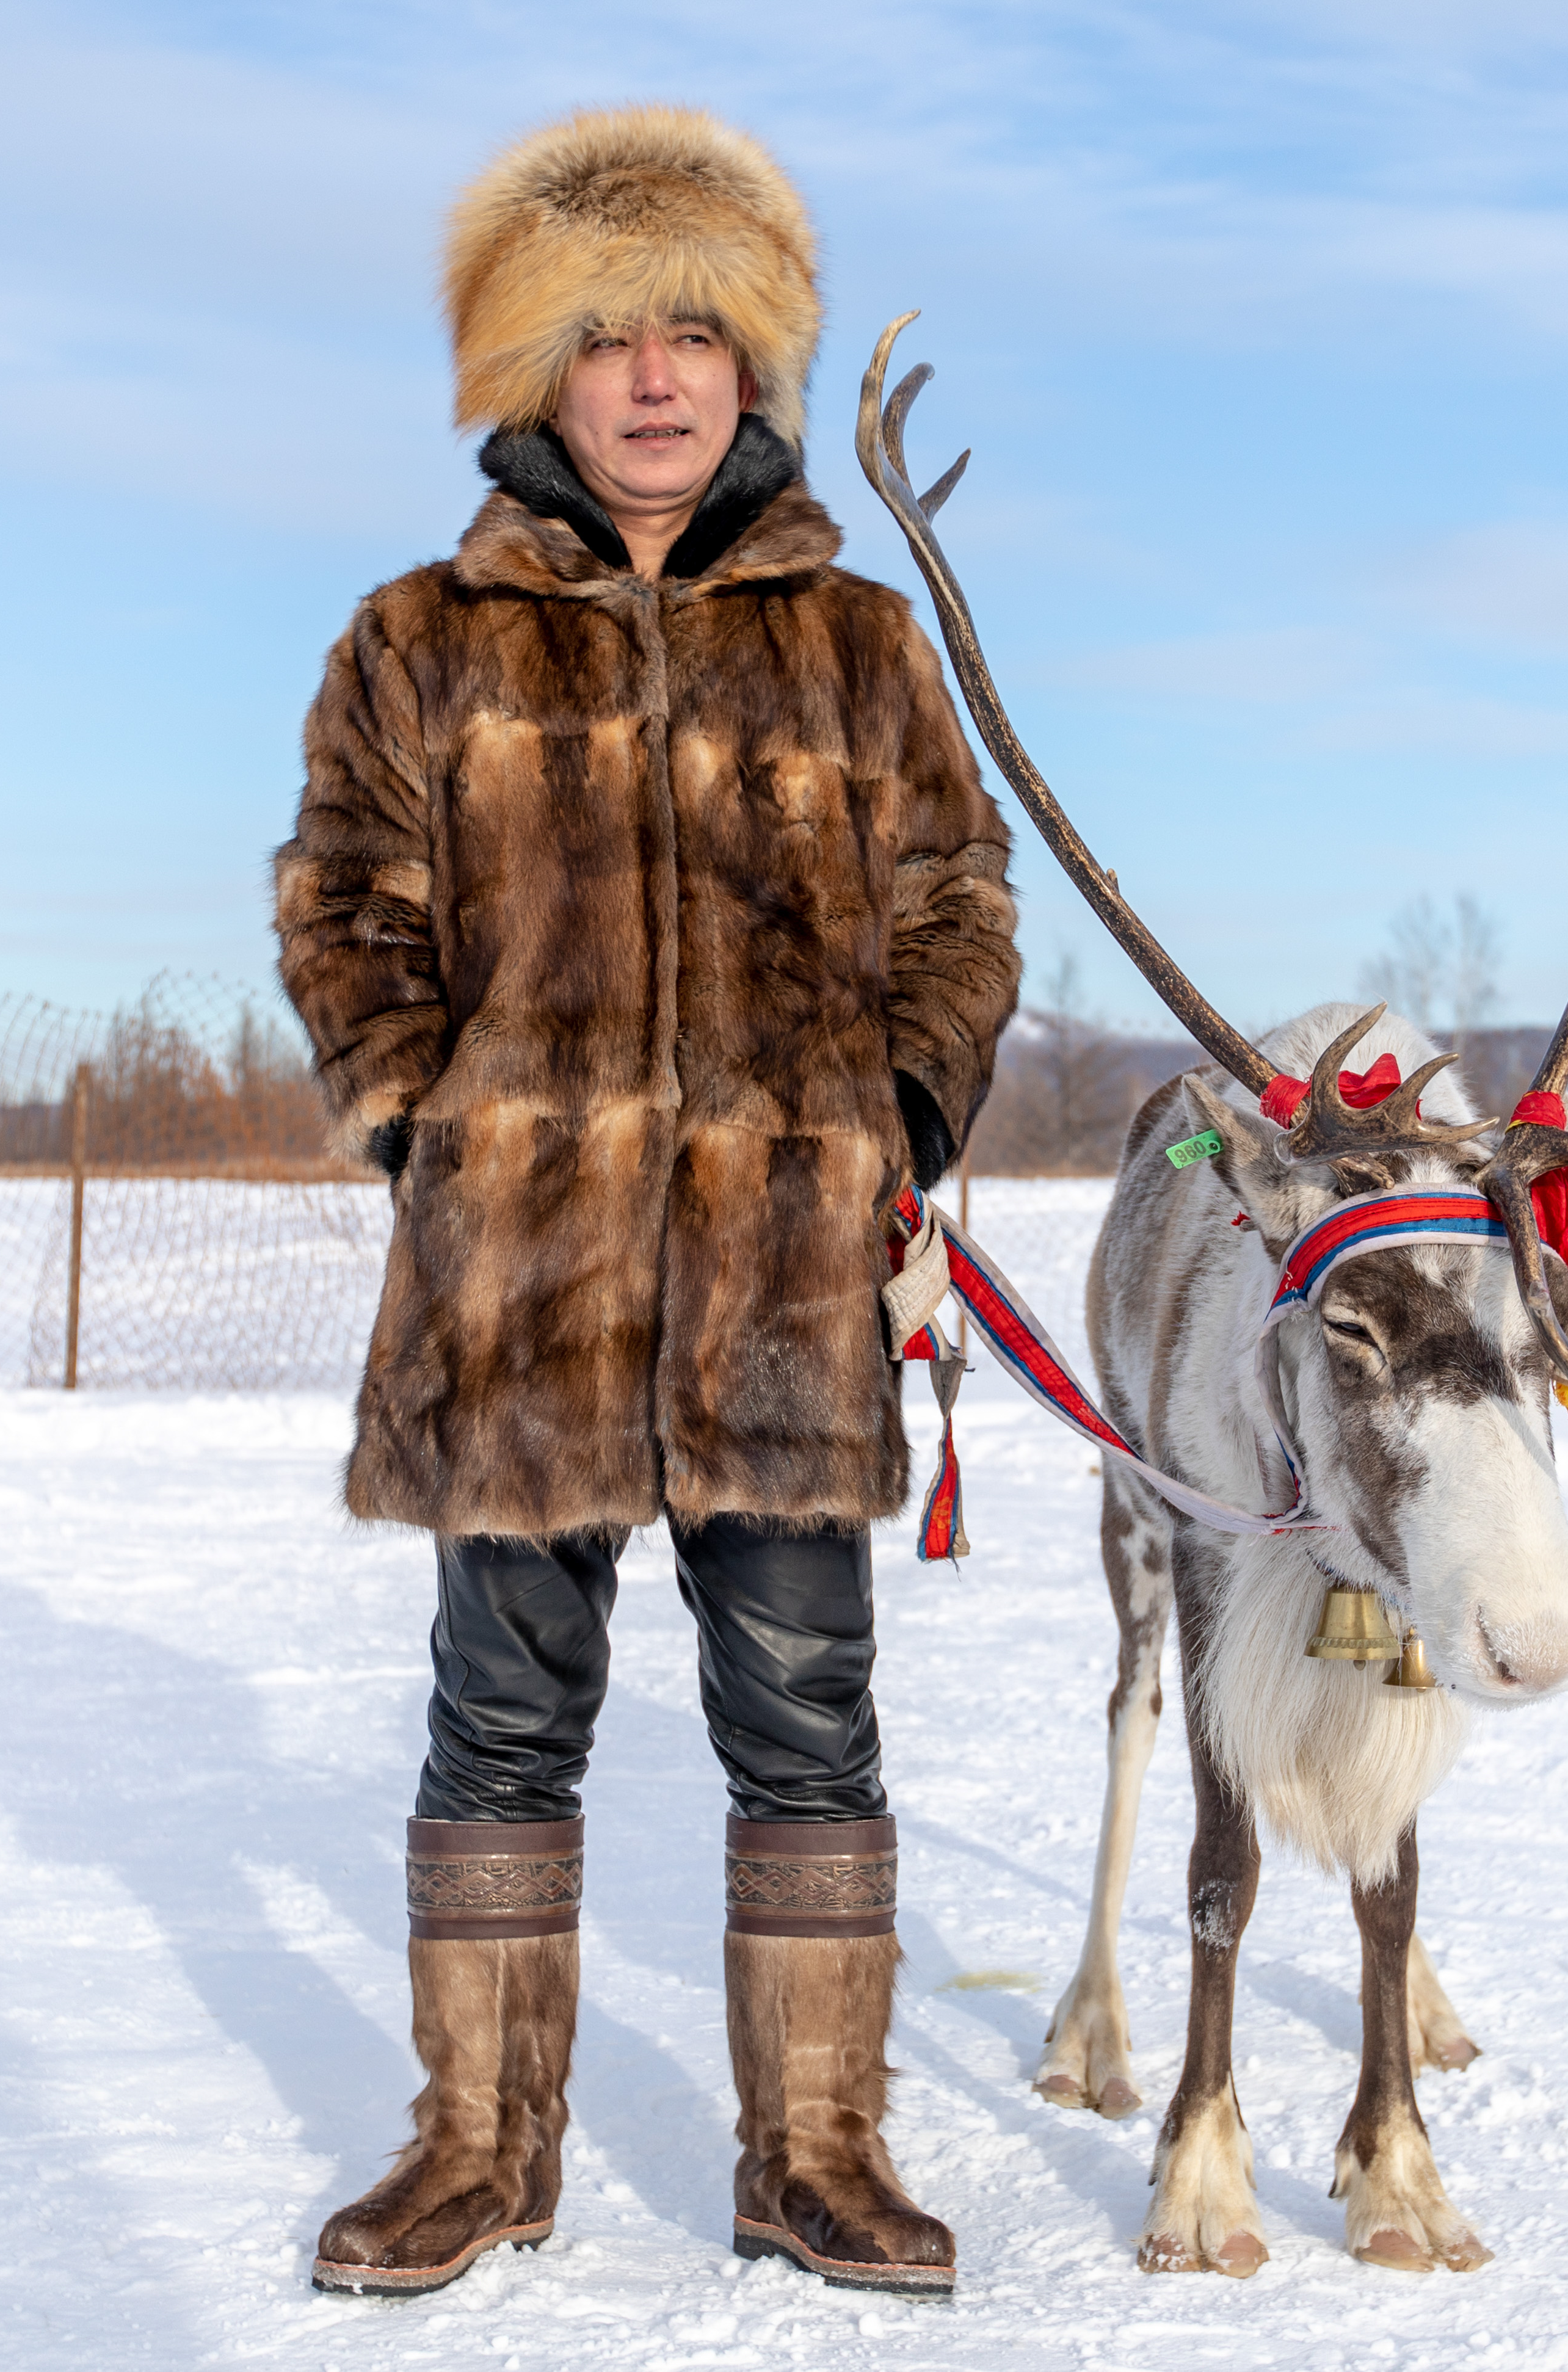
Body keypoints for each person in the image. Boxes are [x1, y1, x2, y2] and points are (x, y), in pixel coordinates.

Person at [270, 104, 1022, 2302]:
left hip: (787, 1288)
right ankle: (471, 2149)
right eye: (608, 342)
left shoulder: (859, 649)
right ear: (541, 375)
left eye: (695, 334)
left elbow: (956, 909)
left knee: (807, 1710)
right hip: (520, 1282)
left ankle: (816, 2160)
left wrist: (895, 1108)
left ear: (750, 364)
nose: (657, 379)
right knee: (500, 1708)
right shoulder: (421, 640)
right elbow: (344, 908)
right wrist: (429, 1130)